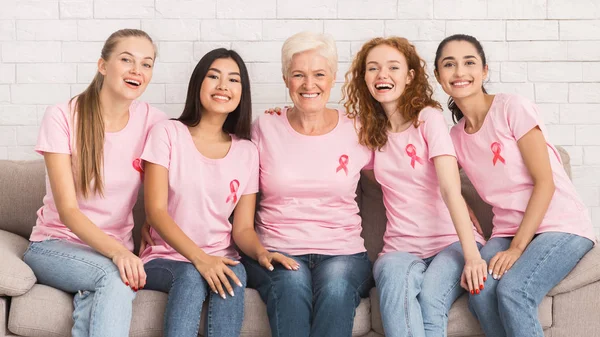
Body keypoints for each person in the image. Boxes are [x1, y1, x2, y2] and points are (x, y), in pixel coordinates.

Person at [434, 34, 596, 337]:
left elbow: (545, 182)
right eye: (449, 64)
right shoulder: (455, 137)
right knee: (480, 292)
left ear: (484, 71)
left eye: (469, 62)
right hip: (507, 230)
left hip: (561, 225)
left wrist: (518, 248)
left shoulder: (513, 108)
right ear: (438, 77)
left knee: (513, 291)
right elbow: (437, 183)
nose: (459, 72)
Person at [140, 48, 298, 337]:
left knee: (235, 273)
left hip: (221, 256)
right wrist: (201, 258)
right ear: (198, 82)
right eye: (213, 76)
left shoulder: (247, 151)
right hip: (165, 258)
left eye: (233, 80)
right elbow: (156, 212)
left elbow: (243, 229)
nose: (223, 85)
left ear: (242, 92)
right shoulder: (167, 134)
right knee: (189, 275)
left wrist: (262, 252)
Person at [22, 29, 166, 337]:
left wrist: (277, 116)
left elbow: (201, 142)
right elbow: (69, 210)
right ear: (103, 65)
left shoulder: (153, 121)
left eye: (146, 64)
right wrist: (119, 253)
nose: (136, 71)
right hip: (54, 245)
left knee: (103, 294)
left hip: (111, 252)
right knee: (117, 278)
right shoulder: (62, 116)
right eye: (126, 59)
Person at [343, 36, 486, 337]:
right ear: (364, 78)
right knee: (394, 286)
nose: (382, 75)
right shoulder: (367, 134)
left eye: (393, 67)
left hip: (451, 242)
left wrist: (473, 256)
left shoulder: (429, 119)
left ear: (409, 77)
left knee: (431, 302)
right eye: (373, 68)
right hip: (400, 247)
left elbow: (450, 188)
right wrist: (283, 116)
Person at [241, 31, 374, 337]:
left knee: (337, 289)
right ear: (286, 78)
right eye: (298, 74)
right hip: (277, 248)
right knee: (290, 287)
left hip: (343, 253)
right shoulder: (265, 126)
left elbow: (397, 179)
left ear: (333, 78)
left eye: (319, 74)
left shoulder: (357, 127)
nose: (309, 84)